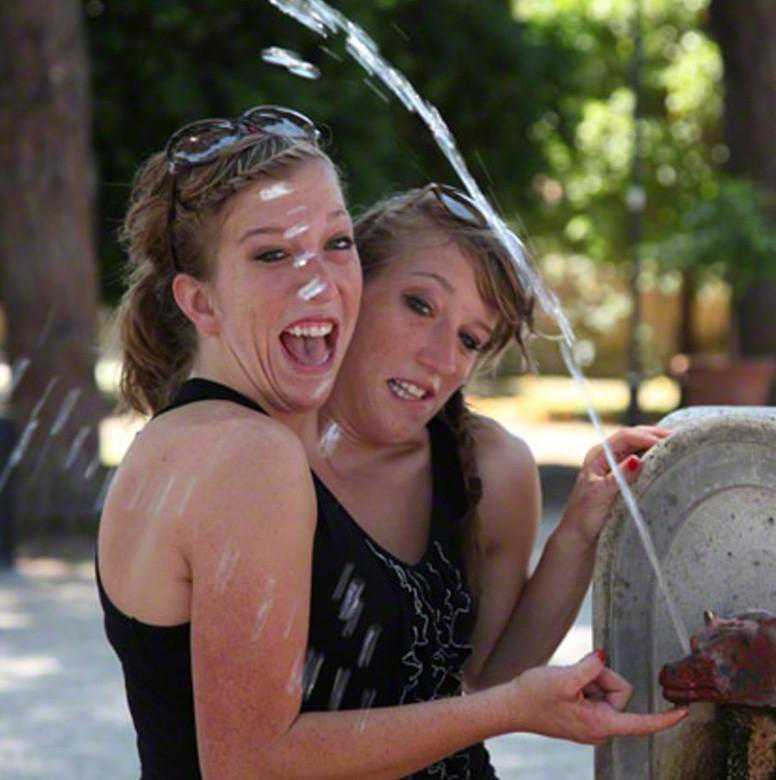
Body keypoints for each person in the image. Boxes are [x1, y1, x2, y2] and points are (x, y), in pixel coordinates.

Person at [98, 104, 684, 779]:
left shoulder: (197, 438)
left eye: (336, 243)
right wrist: (508, 710)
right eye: (272, 254)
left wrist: (577, 532)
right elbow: (253, 763)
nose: (317, 280)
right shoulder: (249, 456)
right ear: (200, 302)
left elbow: (474, 685)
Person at [298, 183, 687, 777]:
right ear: (349, 287)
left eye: (469, 339)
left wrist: (579, 529)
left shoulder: (487, 469)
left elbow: (494, 680)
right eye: (420, 305)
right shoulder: (263, 455)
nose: (440, 358)